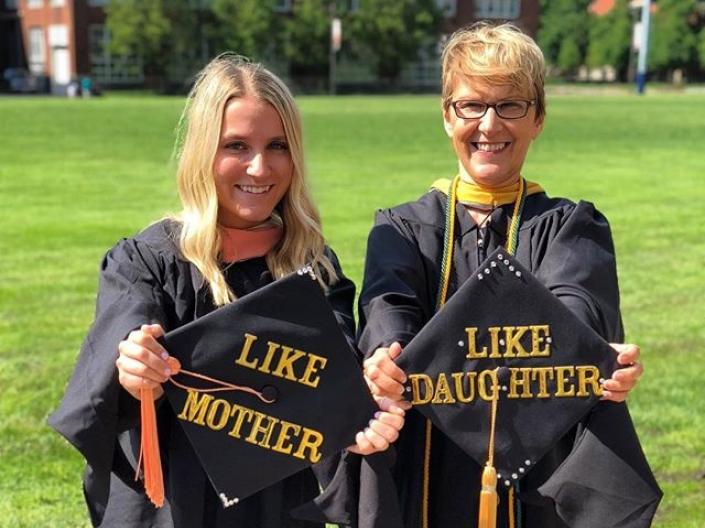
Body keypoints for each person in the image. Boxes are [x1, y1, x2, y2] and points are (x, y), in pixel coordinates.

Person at [49, 54, 404, 528]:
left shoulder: (312, 268)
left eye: (277, 145)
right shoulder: (147, 262)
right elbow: (115, 372)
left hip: (273, 506)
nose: (260, 167)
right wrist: (134, 370)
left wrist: (360, 421)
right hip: (169, 508)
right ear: (202, 151)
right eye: (236, 145)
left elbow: (332, 384)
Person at [359, 23, 647, 527]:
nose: (490, 126)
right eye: (472, 105)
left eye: (511, 105)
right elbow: (390, 304)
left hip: (538, 480)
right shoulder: (403, 228)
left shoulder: (568, 226)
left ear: (538, 118)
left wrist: (593, 351)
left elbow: (576, 307)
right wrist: (387, 355)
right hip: (428, 473)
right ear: (447, 116)